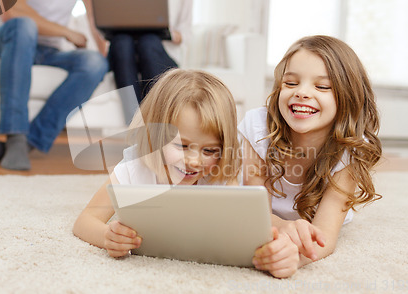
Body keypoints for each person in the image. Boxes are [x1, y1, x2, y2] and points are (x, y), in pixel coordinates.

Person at [73, 69, 300, 278]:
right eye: (181, 146)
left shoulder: (221, 174)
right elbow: (84, 221)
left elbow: (244, 235)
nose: (194, 161)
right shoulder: (133, 169)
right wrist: (107, 237)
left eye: (210, 150)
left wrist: (280, 253)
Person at [240, 35, 382, 272]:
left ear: (349, 97)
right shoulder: (258, 127)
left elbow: (325, 235)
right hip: (267, 214)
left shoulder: (351, 148)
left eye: (322, 86)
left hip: (315, 218)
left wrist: (294, 259)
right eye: (291, 83)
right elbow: (257, 216)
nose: (302, 93)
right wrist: (283, 229)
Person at [0, 0, 109, 171]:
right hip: (10, 41)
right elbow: (13, 11)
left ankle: (26, 143)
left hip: (49, 51)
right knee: (24, 25)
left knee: (95, 63)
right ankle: (15, 136)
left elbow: (93, 18)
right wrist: (66, 32)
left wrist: (105, 54)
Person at [108, 0, 192, 123]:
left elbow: (186, 34)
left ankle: (155, 122)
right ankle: (134, 124)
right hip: (126, 53)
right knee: (121, 42)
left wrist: (166, 32)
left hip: (159, 52)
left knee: (148, 41)